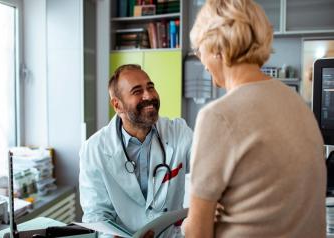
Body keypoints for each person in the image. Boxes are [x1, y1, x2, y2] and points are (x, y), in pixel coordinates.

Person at [183, 0, 326, 237]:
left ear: (217, 48)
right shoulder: (297, 103)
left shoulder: (217, 116)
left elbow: (197, 232)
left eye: (200, 50)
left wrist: (188, 225)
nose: (203, 64)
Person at [79, 64, 192, 237]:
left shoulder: (178, 132)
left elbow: (210, 171)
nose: (149, 95)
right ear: (117, 105)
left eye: (151, 87)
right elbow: (96, 215)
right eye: (137, 91)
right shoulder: (94, 149)